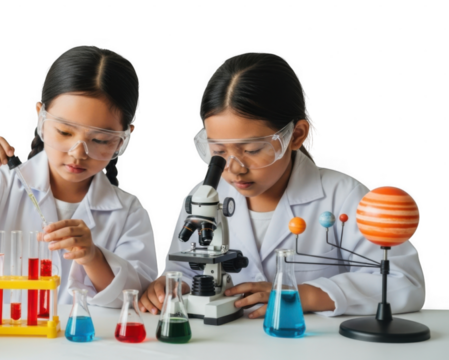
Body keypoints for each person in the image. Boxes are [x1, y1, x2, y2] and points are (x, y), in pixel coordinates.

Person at [139, 52, 425, 318]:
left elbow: (404, 282)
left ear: (296, 135)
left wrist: (305, 295)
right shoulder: (201, 198)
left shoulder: (343, 195)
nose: (235, 168)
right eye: (219, 151)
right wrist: (168, 287)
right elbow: (185, 269)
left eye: (251, 149)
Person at [0, 45, 158, 308]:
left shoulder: (129, 212)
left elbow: (135, 299)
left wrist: (92, 256)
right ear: (41, 116)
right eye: (64, 132)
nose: (78, 153)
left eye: (100, 139)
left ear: (124, 136)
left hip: (78, 348)